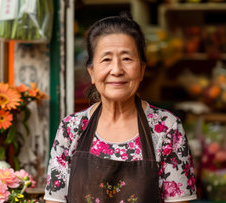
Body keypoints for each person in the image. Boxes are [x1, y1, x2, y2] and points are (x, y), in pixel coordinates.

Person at [44, 15, 197, 203]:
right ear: (92, 72)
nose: (116, 70)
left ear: (141, 70)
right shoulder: (71, 128)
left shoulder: (167, 128)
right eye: (106, 59)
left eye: (126, 58)